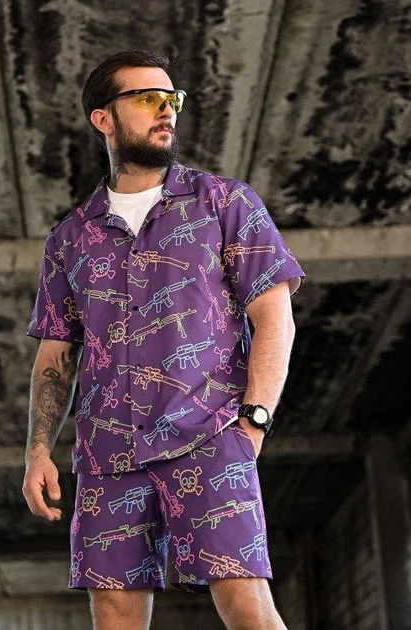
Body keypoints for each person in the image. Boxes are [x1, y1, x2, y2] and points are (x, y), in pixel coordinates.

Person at [22, 49, 305, 630]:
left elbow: (275, 316)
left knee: (245, 604)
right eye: (148, 98)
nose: (166, 110)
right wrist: (37, 451)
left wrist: (254, 420)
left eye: (172, 99)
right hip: (107, 454)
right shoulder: (69, 239)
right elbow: (56, 354)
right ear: (104, 118)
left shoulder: (224, 203)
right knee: (114, 614)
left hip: (209, 435)